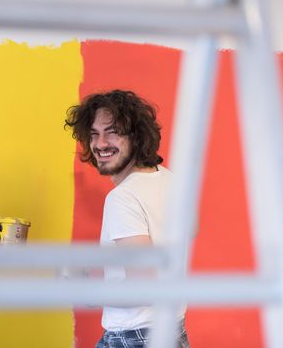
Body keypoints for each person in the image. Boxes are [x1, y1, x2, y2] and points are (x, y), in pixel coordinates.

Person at [65, 90, 190, 348]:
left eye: (112, 132)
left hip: (133, 338)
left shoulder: (122, 198)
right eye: (93, 134)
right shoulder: (169, 180)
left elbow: (142, 288)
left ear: (136, 136)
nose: (100, 144)